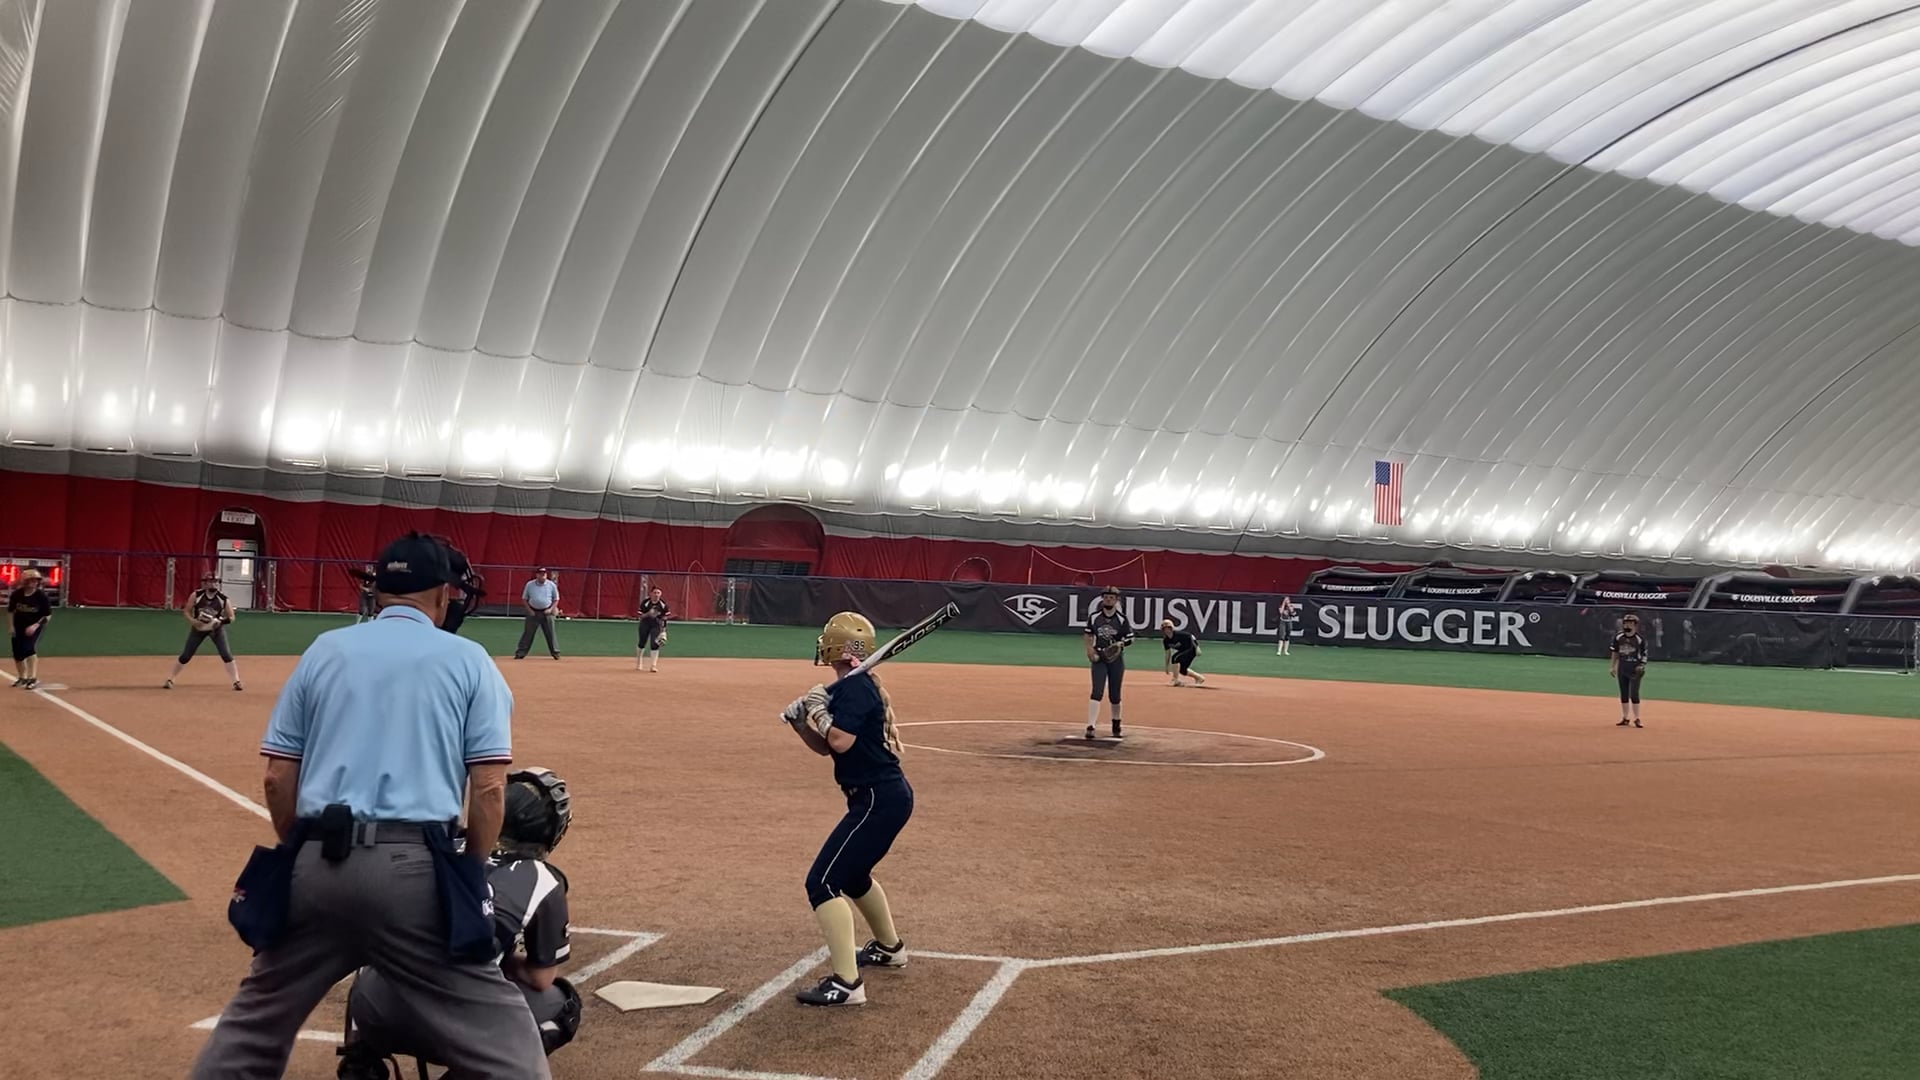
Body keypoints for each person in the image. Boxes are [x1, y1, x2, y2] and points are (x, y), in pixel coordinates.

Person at [191, 532, 550, 1080]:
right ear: (442, 594)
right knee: (510, 1053)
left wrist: (303, 850)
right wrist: (468, 870)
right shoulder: (469, 660)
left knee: (253, 1027)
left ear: (379, 591)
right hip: (413, 870)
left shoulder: (325, 650)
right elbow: (490, 790)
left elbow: (277, 777)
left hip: (317, 864)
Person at [336, 767, 582, 1079]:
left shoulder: (439, 841)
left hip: (376, 1012)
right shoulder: (541, 879)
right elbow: (540, 978)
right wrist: (500, 957)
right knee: (562, 1006)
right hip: (454, 1029)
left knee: (379, 937)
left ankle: (359, 1062)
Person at [779, 612, 913, 1008]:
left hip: (877, 798)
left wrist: (819, 711)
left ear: (839, 645)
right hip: (878, 797)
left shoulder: (856, 688)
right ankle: (889, 949)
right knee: (853, 876)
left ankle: (847, 984)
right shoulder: (848, 687)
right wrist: (802, 724)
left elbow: (840, 741)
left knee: (821, 883)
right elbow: (825, 746)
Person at [166, 572, 243, 690]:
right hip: (199, 628)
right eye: (211, 581)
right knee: (186, 655)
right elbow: (186, 611)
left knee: (226, 654)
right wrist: (193, 622)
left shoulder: (223, 599)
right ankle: (171, 679)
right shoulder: (197, 595)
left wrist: (220, 621)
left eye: (216, 582)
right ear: (205, 583)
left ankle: (236, 681)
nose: (214, 584)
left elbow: (232, 617)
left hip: (216, 629)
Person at [1084, 585, 1134, 739]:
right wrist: (1089, 650)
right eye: (1106, 597)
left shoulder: (1122, 619)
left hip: (1115, 659)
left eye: (1111, 598)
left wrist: (1120, 644)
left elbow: (1131, 638)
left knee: (1115, 694)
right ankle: (1091, 725)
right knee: (1097, 691)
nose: (1108, 600)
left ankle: (1116, 724)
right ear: (1102, 599)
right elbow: (1088, 634)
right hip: (1100, 657)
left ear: (1116, 600)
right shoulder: (1094, 617)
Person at [7, 568, 51, 689]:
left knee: (28, 648)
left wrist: (35, 625)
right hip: (18, 626)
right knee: (17, 652)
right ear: (24, 581)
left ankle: (32, 678)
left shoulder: (41, 596)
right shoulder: (17, 594)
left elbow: (47, 615)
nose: (33, 582)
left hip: (34, 626)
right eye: (30, 580)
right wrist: (11, 626)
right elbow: (10, 611)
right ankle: (22, 678)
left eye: (35, 580)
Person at [1610, 612, 1649, 728]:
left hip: (1635, 669)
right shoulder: (1618, 637)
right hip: (1622, 667)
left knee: (1634, 693)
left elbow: (1645, 654)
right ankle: (1625, 717)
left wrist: (1642, 665)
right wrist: (1612, 666)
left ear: (1635, 625)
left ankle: (1637, 718)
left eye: (1630, 623)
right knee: (1624, 693)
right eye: (1626, 623)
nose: (1627, 625)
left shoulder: (1639, 639)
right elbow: (1615, 652)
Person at [514, 567, 561, 661]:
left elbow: (556, 599)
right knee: (528, 633)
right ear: (537, 575)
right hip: (533, 612)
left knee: (550, 633)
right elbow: (524, 599)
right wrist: (529, 610)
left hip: (547, 612)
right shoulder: (530, 584)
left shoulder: (551, 585)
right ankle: (520, 653)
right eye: (540, 574)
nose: (542, 576)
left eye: (544, 574)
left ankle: (555, 653)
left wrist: (551, 609)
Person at [636, 585, 671, 672]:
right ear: (651, 594)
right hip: (645, 624)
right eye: (655, 592)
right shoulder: (645, 603)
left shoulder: (663, 604)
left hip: (656, 625)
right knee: (642, 642)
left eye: (658, 593)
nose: (656, 594)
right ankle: (639, 662)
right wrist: (648, 614)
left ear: (661, 594)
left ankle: (653, 665)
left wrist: (663, 630)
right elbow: (640, 616)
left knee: (655, 644)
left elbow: (665, 617)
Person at [1162, 619, 1205, 687]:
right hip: (1184, 651)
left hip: (1191, 648)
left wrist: (1197, 647)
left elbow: (1191, 636)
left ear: (1172, 628)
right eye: (1165, 629)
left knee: (1175, 658)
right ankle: (1199, 678)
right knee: (1182, 670)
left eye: (1169, 628)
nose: (1167, 630)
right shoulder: (1166, 641)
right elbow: (1167, 653)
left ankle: (1175, 679)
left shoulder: (1179, 634)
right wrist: (1166, 666)